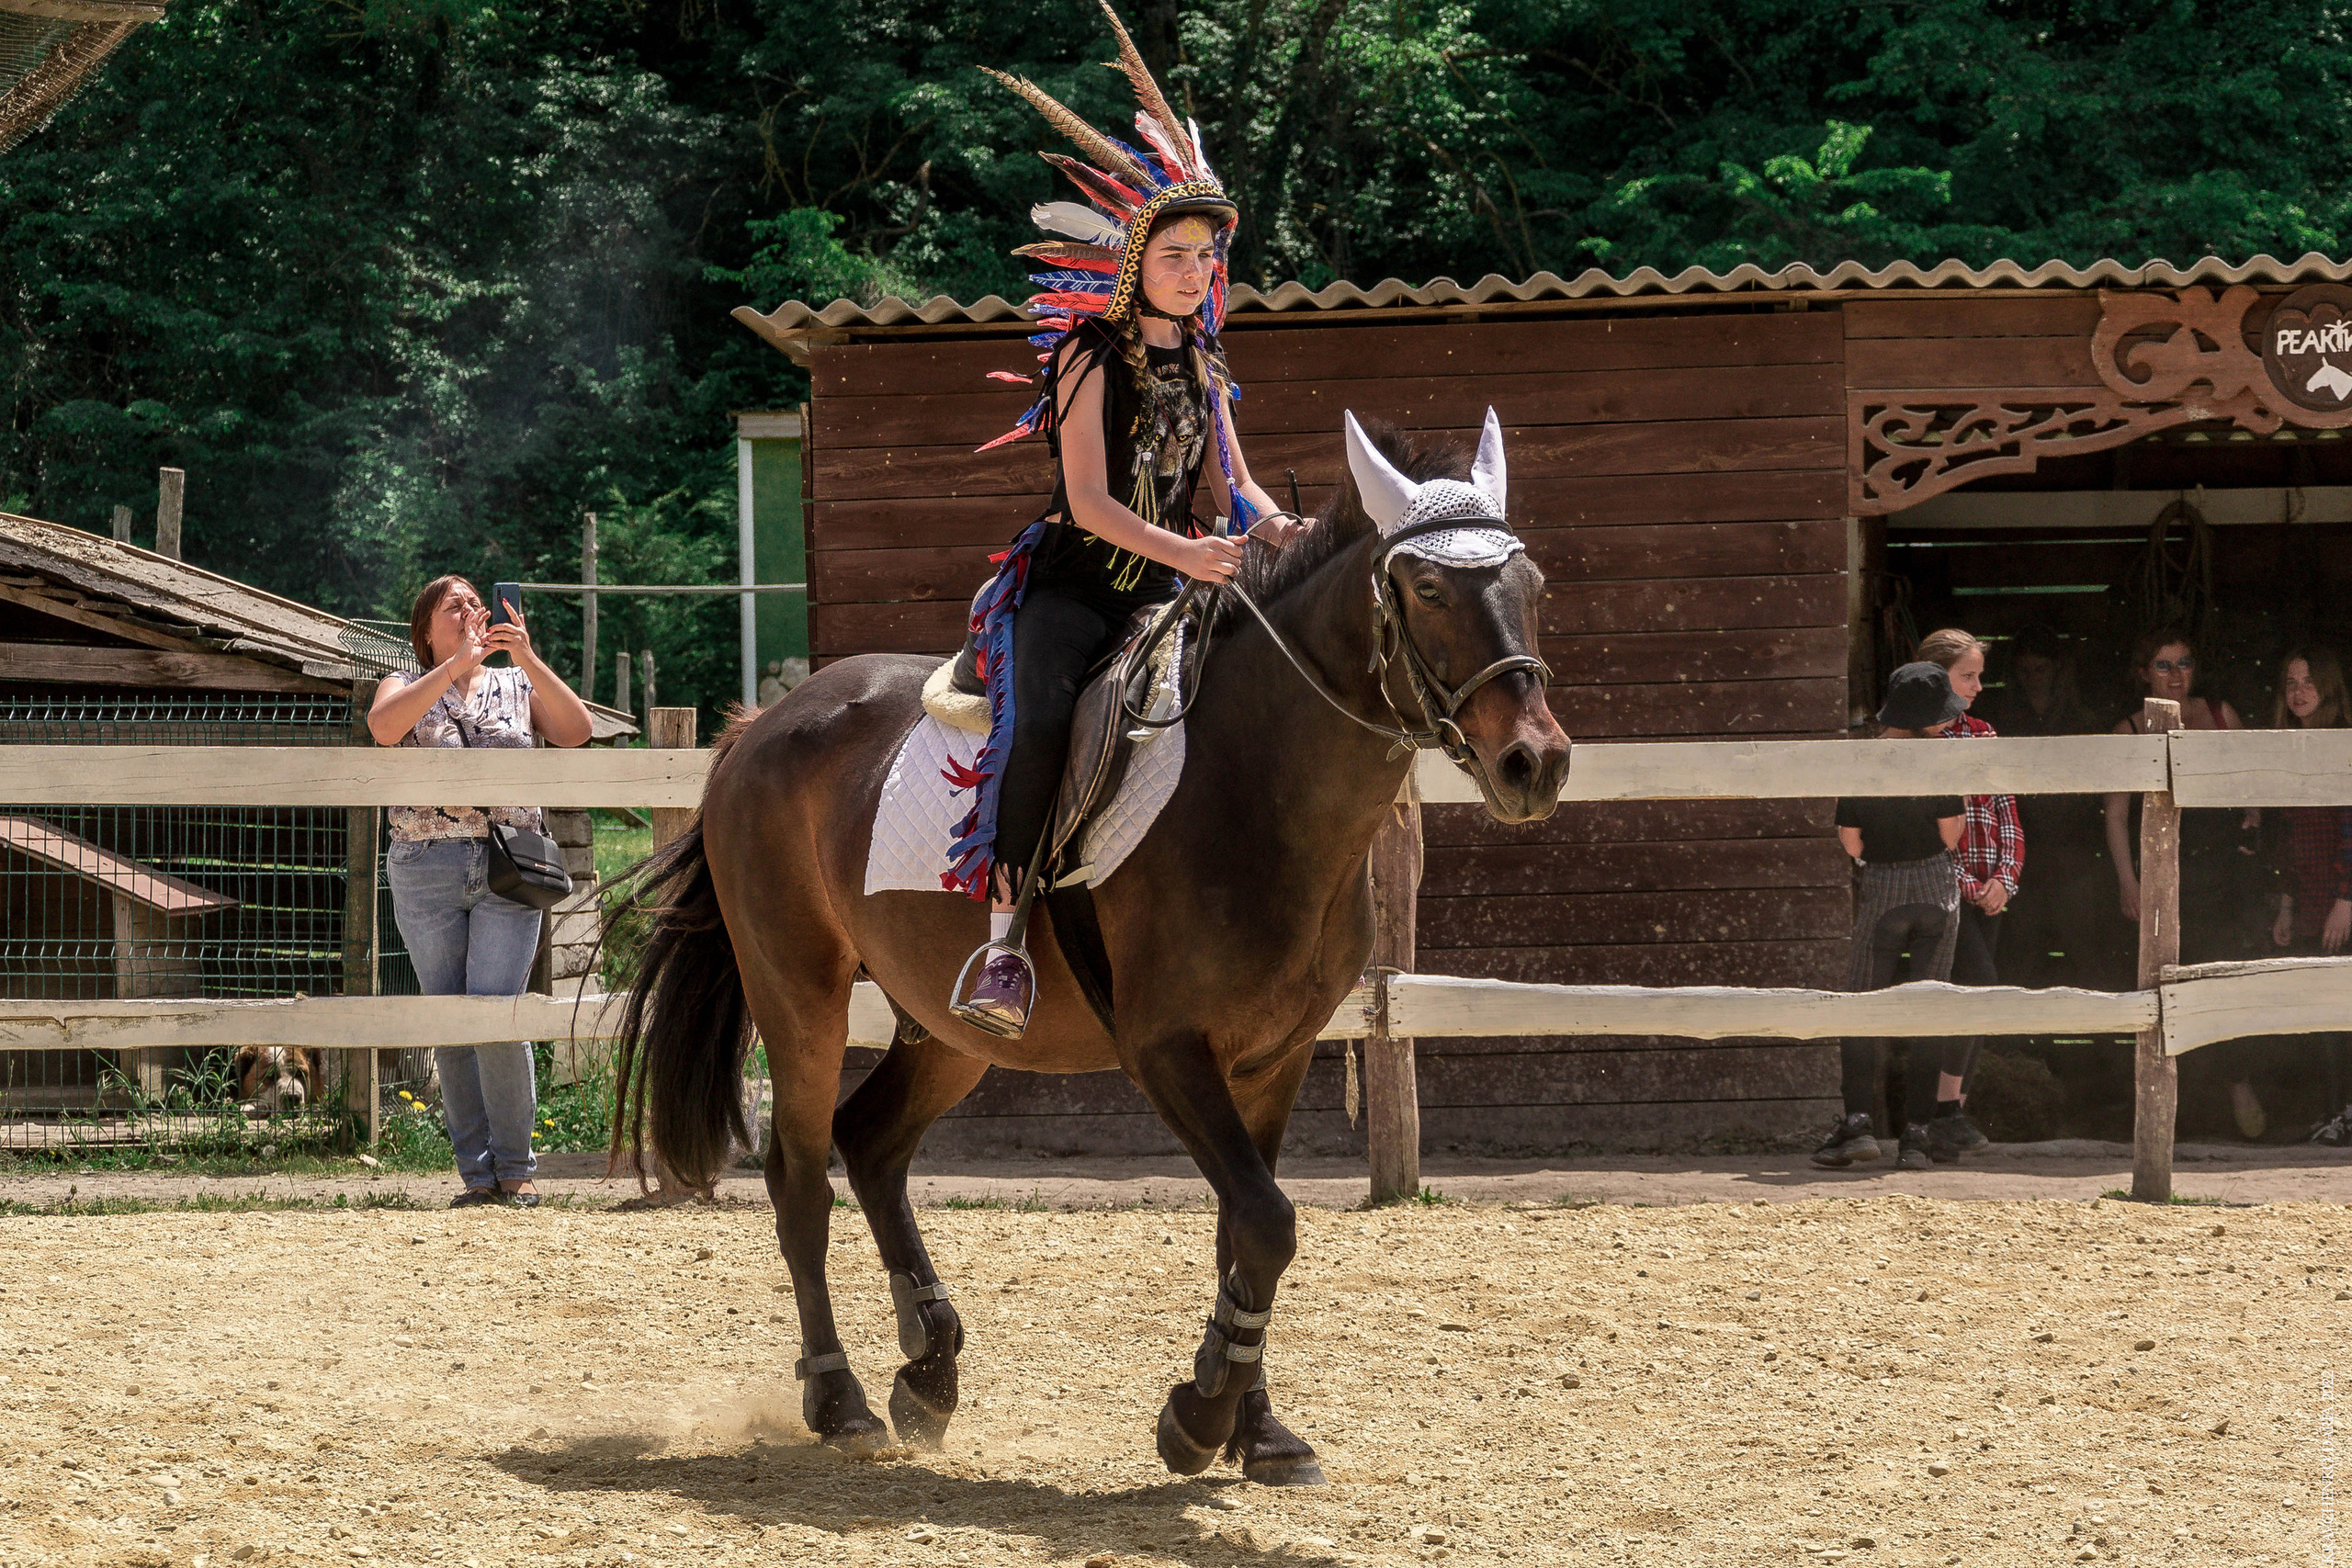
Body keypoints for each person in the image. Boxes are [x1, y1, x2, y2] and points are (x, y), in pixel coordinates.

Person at [945, 28, 1303, 1036]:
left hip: (1168, 592)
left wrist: (1285, 529)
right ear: (1136, 260)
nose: (1195, 273)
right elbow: (1095, 502)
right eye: (1177, 255)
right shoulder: (1087, 353)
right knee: (1044, 724)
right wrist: (1191, 554)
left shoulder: (1208, 360)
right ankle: (1004, 942)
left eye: (1208, 257)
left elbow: (1235, 486)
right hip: (1071, 586)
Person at [366, 576, 594, 1207]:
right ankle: (477, 1175)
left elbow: (577, 730)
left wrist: (523, 654)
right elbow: (385, 728)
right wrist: (455, 668)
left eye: (475, 601)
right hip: (425, 864)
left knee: (498, 1015)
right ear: (426, 631)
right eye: (454, 606)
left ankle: (516, 1171)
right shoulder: (403, 683)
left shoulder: (517, 682)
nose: (471, 611)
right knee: (452, 1019)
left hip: (509, 864)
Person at [2100, 626, 2267, 1136]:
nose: (2176, 675)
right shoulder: (2128, 730)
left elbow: (2252, 782)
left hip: (2225, 874)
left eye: (2184, 663)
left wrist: (2251, 827)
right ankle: (2177, 1111)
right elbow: (2115, 815)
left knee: (2230, 975)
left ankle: (2239, 1084)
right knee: (2167, 982)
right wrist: (2130, 882)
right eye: (2163, 665)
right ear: (2143, 672)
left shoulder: (2221, 715)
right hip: (2167, 876)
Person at [1815, 662, 1969, 1173]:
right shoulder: (1940, 764)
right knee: (1930, 1010)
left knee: (1860, 1007)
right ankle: (1918, 1136)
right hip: (1935, 890)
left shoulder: (1864, 760)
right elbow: (1952, 835)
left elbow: (1850, 840)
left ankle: (1858, 1123)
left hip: (1882, 887)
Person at [1912, 627, 2021, 1156]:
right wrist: (1967, 884)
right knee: (1975, 983)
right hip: (1945, 888)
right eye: (1967, 676)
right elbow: (1920, 830)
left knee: (1981, 996)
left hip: (1989, 890)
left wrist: (2005, 878)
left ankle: (1952, 1114)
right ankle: (1941, 1111)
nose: (1978, 686)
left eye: (1979, 675)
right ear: (1938, 677)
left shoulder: (1983, 734)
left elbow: (2007, 812)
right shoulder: (1917, 741)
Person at [1978, 626, 2108, 990]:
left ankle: (2099, 1042)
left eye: (2041, 669)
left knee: (2084, 950)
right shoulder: (2000, 720)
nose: (2032, 678)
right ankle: (2013, 1045)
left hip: (2074, 852)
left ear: (2056, 670)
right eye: (2025, 670)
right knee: (2019, 950)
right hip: (2022, 854)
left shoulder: (2081, 720)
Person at [2264, 648, 2352, 1144]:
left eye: (2309, 682)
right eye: (2291, 682)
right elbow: (2287, 836)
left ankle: (2345, 1112)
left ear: (2329, 687)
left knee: (2343, 1009)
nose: (2298, 692)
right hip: (2310, 895)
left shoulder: (2340, 740)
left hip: (2341, 898)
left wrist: (2348, 897)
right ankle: (2332, 1111)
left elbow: (2351, 823)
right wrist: (2286, 901)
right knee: (2320, 1010)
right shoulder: (2288, 744)